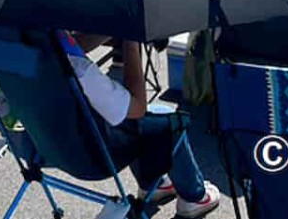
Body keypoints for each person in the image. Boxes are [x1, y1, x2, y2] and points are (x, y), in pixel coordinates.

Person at [68, 34, 221, 217]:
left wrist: (116, 28)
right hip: (90, 156)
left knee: (140, 117)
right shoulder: (82, 72)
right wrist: (130, 42)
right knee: (164, 118)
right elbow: (137, 109)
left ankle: (154, 185)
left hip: (47, 144)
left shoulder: (32, 51)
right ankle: (194, 197)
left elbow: (73, 45)